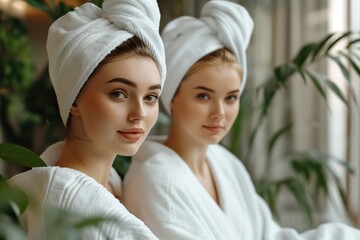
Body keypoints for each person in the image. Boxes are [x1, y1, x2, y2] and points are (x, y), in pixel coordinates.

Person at [122, 1, 360, 239]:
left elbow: (270, 235)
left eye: (231, 97)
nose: (220, 112)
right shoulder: (155, 181)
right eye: (203, 96)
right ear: (172, 96)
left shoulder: (225, 163)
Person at [8, 0, 166, 239]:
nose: (140, 113)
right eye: (119, 93)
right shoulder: (69, 207)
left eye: (151, 97)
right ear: (74, 99)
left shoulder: (114, 184)